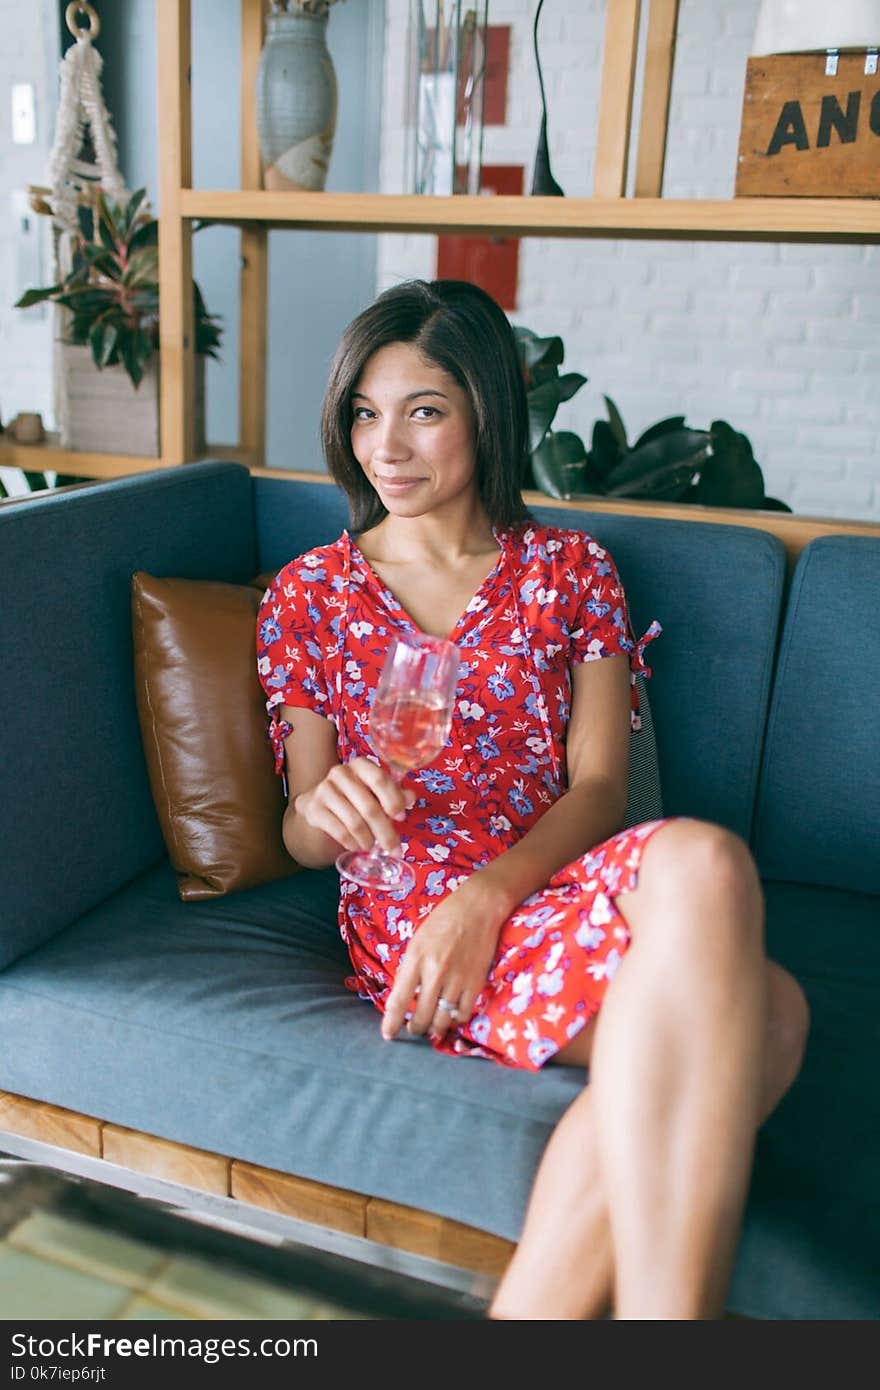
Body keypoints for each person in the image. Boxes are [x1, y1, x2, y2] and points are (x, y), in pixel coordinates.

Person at [255, 278, 810, 1320]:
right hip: (411, 917)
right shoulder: (309, 594)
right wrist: (322, 813)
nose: (389, 446)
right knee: (771, 1015)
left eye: (424, 411)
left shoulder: (570, 572)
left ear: (483, 414)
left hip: (539, 887)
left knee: (706, 864)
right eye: (365, 415)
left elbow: (601, 788)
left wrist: (491, 898)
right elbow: (299, 827)